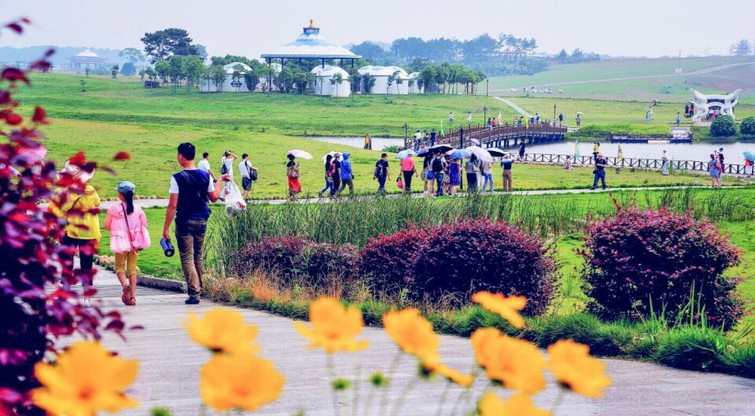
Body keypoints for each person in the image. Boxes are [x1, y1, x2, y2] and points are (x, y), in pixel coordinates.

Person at [163, 142, 228, 304]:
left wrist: (166, 229)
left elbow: (172, 205)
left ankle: (194, 293)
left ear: (180, 157)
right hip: (202, 220)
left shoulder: (177, 178)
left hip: (184, 221)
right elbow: (213, 198)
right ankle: (203, 288)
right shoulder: (205, 176)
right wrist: (219, 180)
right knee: (198, 256)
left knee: (187, 257)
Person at [50, 161, 101, 288]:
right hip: (88, 230)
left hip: (69, 229)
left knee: (67, 257)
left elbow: (54, 208)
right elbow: (97, 203)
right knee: (87, 259)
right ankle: (86, 284)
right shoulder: (90, 190)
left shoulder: (61, 191)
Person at [104, 181, 151, 306]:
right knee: (132, 269)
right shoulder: (138, 209)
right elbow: (144, 227)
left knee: (119, 267)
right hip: (134, 242)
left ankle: (125, 285)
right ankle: (133, 298)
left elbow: (106, 226)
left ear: (120, 194)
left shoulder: (113, 209)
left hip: (120, 242)